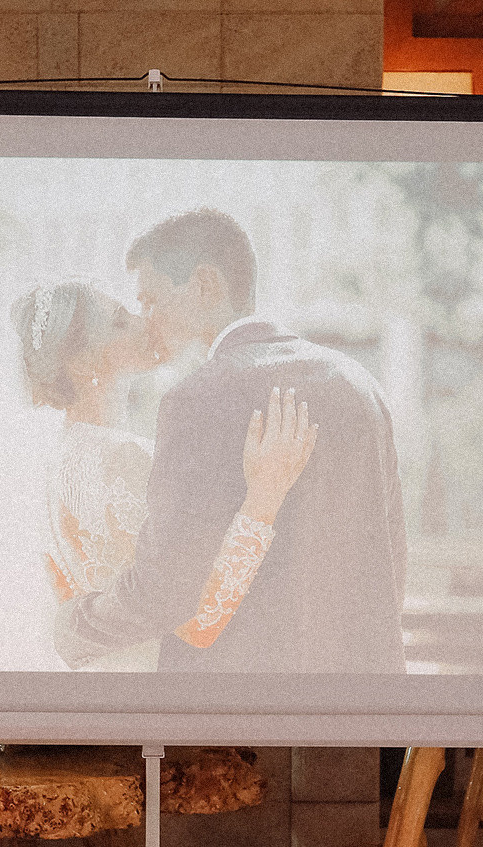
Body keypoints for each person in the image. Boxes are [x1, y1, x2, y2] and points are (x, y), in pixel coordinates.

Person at [0, 276, 315, 671]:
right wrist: (266, 494)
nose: (144, 320)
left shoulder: (54, 462)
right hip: (149, 699)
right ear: (83, 365)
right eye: (122, 321)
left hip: (102, 684)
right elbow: (199, 622)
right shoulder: (124, 460)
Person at [54, 208, 408, 673]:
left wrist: (71, 626)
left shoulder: (198, 398)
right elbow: (390, 564)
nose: (147, 320)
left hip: (238, 714)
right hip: (360, 704)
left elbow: (165, 589)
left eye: (151, 300)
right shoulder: (360, 384)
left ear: (204, 285)